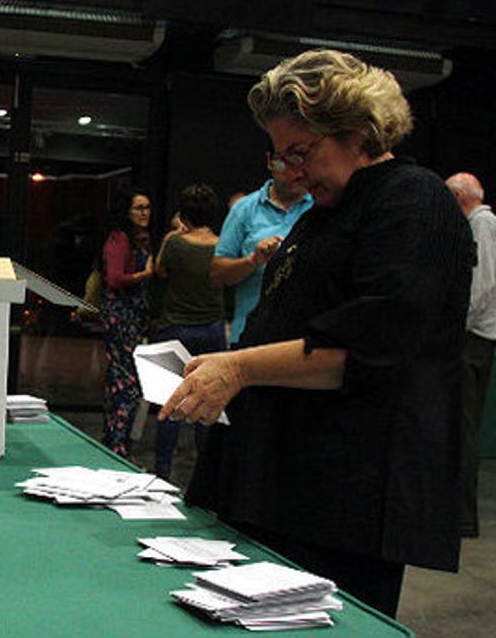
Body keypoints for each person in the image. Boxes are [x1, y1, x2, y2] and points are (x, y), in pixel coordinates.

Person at [162, 48, 474, 617]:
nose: (292, 173)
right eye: (281, 159)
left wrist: (238, 367)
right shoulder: (326, 211)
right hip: (285, 483)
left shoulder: (413, 201)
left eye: (301, 153)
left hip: (343, 497)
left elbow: (368, 348)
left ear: (357, 131)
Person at [446, 171, 496, 535]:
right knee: (461, 427)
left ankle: (461, 517)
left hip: (471, 340)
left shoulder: (482, 227)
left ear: (458, 199)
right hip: (474, 338)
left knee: (463, 429)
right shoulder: (489, 225)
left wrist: (451, 326)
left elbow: (480, 285)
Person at [150, 184, 227, 479]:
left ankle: (162, 471)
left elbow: (161, 271)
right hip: (212, 329)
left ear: (183, 213)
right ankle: (205, 473)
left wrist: (174, 231)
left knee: (169, 401)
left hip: (175, 326)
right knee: (208, 404)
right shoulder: (222, 245)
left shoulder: (174, 242)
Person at [212, 163, 313, 346]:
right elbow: (218, 274)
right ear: (271, 163)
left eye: (301, 161)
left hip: (305, 339)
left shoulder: (322, 206)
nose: (296, 172)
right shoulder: (244, 209)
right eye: (287, 163)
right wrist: (252, 261)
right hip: (251, 336)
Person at [96, 189, 155, 458]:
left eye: (147, 208)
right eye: (139, 208)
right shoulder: (119, 239)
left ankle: (118, 442)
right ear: (127, 212)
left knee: (125, 382)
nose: (145, 213)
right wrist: (145, 274)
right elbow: (115, 278)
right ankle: (116, 445)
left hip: (133, 317)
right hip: (120, 316)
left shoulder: (140, 239)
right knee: (125, 383)